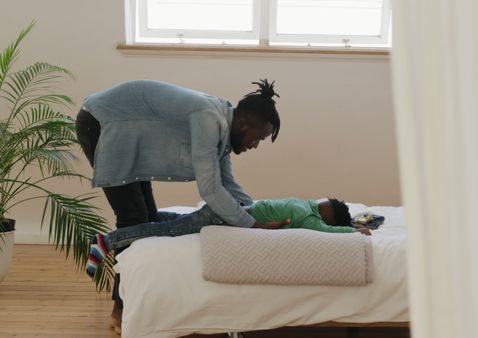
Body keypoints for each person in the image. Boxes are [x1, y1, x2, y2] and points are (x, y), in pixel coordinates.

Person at [75, 79, 289, 334]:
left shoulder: (223, 124)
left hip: (127, 130)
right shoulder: (209, 119)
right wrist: (253, 226)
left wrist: (257, 210)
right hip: (101, 121)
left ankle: (115, 264)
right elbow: (209, 189)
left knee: (147, 218)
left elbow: (227, 182)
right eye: (258, 138)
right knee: (133, 218)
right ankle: (121, 309)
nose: (255, 145)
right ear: (244, 123)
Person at [86, 197, 372, 274]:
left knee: (172, 221)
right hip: (224, 215)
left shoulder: (303, 203)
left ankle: (151, 215)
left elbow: (323, 223)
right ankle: (106, 241)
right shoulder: (308, 217)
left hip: (226, 209)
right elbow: (323, 231)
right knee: (167, 230)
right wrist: (352, 230)